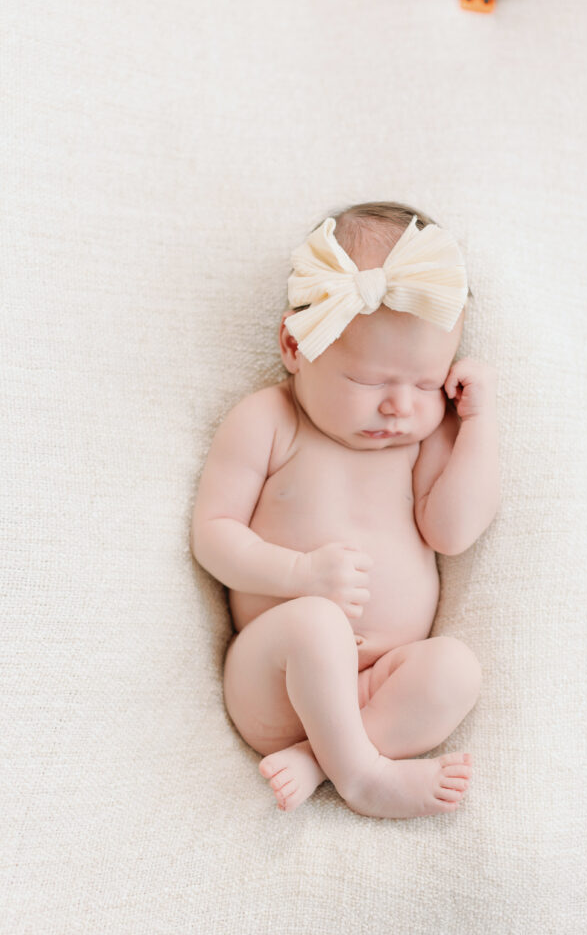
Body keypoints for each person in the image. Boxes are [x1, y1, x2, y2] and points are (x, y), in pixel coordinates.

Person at [190, 200, 500, 818]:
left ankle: (318, 758)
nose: (398, 408)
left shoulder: (419, 438)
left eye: (422, 383)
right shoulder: (269, 421)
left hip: (377, 688)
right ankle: (361, 777)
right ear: (295, 345)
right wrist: (299, 577)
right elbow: (213, 536)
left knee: (456, 671)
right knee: (317, 622)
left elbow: (453, 530)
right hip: (273, 678)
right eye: (367, 381)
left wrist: (479, 425)